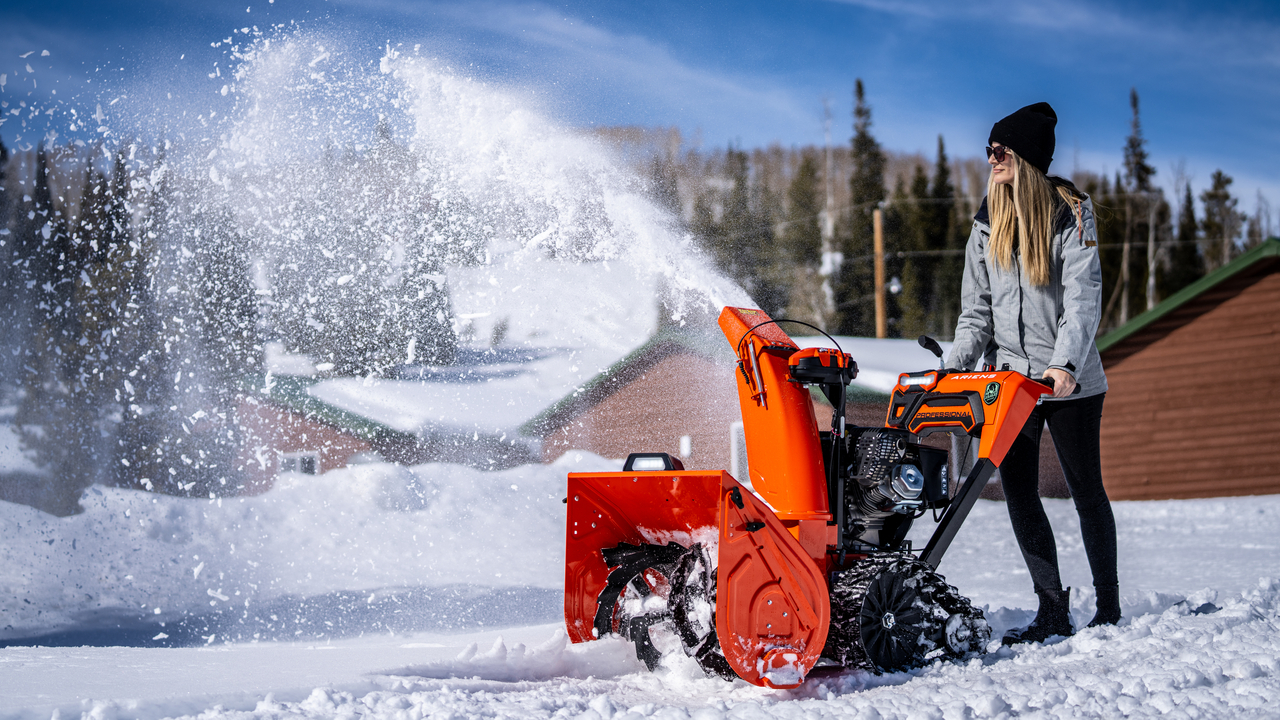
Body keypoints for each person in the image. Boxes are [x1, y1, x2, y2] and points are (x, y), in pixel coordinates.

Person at [946, 102, 1121, 645]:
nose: (990, 159)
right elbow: (976, 311)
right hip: (1012, 383)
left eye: (999, 150)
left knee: (1085, 489)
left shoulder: (1072, 214)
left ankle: (1109, 607)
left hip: (1068, 379)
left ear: (1024, 157)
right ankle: (1051, 610)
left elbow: (1082, 301)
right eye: (989, 150)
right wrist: (954, 363)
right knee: (1019, 491)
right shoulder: (987, 222)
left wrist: (1062, 365)